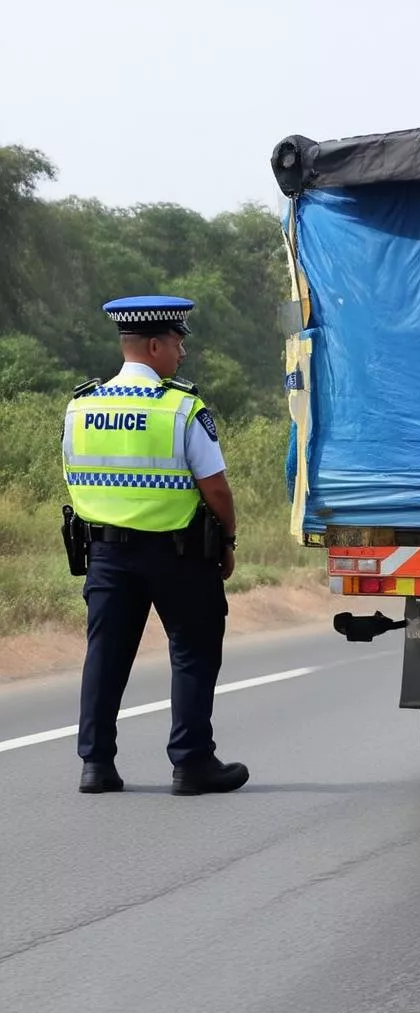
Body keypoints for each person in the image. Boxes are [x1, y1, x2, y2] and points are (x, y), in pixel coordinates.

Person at [62, 295, 249, 794]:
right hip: (179, 554)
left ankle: (96, 766)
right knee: (192, 651)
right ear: (152, 345)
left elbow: (76, 479)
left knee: (105, 655)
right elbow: (215, 489)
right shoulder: (181, 408)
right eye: (176, 341)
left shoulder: (81, 406)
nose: (182, 352)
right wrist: (227, 539)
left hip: (106, 554)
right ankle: (191, 764)